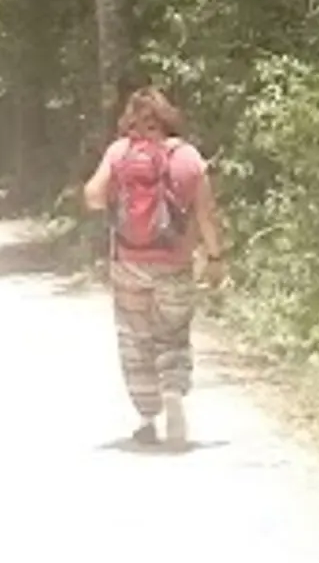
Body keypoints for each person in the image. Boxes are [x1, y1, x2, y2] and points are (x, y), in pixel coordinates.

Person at [81, 87, 225, 449]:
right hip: (175, 263)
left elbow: (92, 197)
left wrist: (121, 196)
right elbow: (207, 214)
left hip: (129, 261)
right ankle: (173, 391)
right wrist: (215, 258)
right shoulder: (189, 157)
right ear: (167, 116)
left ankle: (147, 418)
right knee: (172, 334)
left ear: (130, 118)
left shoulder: (120, 152)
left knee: (135, 339)